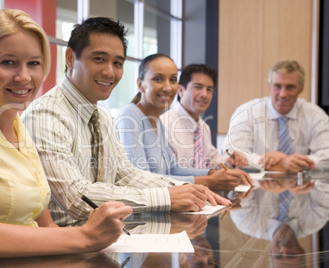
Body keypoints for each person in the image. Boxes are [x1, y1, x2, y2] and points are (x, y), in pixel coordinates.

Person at [0, 9, 132, 267]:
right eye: (8, 62)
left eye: (33, 63)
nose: (24, 77)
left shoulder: (18, 126)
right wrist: (84, 236)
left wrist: (91, 244)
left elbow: (43, 223)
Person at [22, 17, 230, 227]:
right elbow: (76, 199)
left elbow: (124, 173)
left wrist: (182, 188)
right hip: (63, 246)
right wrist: (167, 197)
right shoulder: (46, 114)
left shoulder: (101, 116)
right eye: (99, 59)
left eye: (118, 63)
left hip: (104, 236)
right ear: (69, 58)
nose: (110, 72)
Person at [115, 54, 252, 190]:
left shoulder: (157, 122)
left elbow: (173, 169)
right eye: (158, 79)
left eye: (173, 79)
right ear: (140, 84)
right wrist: (208, 181)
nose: (168, 87)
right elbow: (141, 179)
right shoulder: (130, 115)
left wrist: (211, 173)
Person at [224, 59, 329, 172]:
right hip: (254, 187)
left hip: (301, 187)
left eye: (290, 87)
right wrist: (280, 163)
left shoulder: (316, 115)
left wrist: (291, 161)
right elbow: (232, 153)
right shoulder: (247, 112)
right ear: (269, 86)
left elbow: (326, 156)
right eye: (277, 86)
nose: (283, 94)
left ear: (301, 88)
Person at [160, 64, 247, 170]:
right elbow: (170, 173)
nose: (204, 94)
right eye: (198, 87)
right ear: (181, 90)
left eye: (209, 89)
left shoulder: (203, 127)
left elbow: (211, 162)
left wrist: (229, 161)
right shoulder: (164, 126)